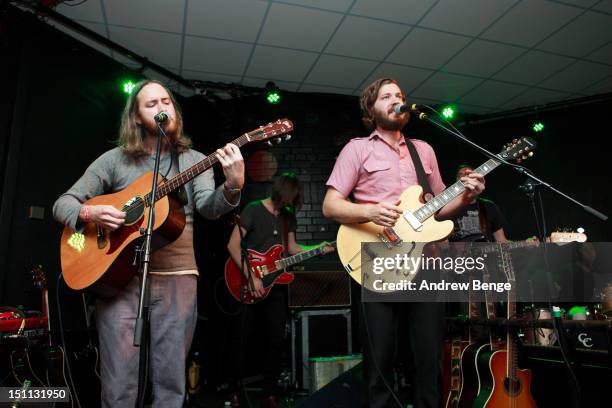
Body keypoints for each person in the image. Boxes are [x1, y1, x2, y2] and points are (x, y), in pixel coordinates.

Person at [53, 80, 245, 408]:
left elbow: (209, 208)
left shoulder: (195, 159)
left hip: (178, 278)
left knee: (171, 385)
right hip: (119, 283)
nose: (161, 108)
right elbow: (63, 204)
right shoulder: (114, 160)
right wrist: (90, 211)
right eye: (151, 104)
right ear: (137, 118)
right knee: (118, 387)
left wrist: (233, 186)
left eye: (166, 101)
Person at [322, 78, 485, 408]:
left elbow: (439, 207)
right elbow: (331, 205)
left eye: (399, 96)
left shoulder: (422, 150)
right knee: (380, 358)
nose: (395, 100)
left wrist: (466, 196)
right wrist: (368, 210)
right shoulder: (357, 148)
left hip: (423, 261)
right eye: (386, 96)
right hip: (376, 254)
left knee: (428, 355)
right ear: (372, 108)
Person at [225, 172, 333, 408]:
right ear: (280, 193)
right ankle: (233, 390)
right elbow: (232, 245)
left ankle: (268, 393)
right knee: (241, 340)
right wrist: (252, 276)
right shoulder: (253, 209)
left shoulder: (287, 217)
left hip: (275, 285)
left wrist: (318, 248)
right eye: (288, 200)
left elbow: (291, 248)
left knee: (276, 339)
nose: (289, 205)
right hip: (247, 282)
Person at [449, 164, 508, 243]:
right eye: (460, 175)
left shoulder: (489, 206)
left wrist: (523, 246)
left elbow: (501, 240)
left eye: (468, 175)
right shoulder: (448, 208)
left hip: (487, 253)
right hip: (458, 254)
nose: (463, 178)